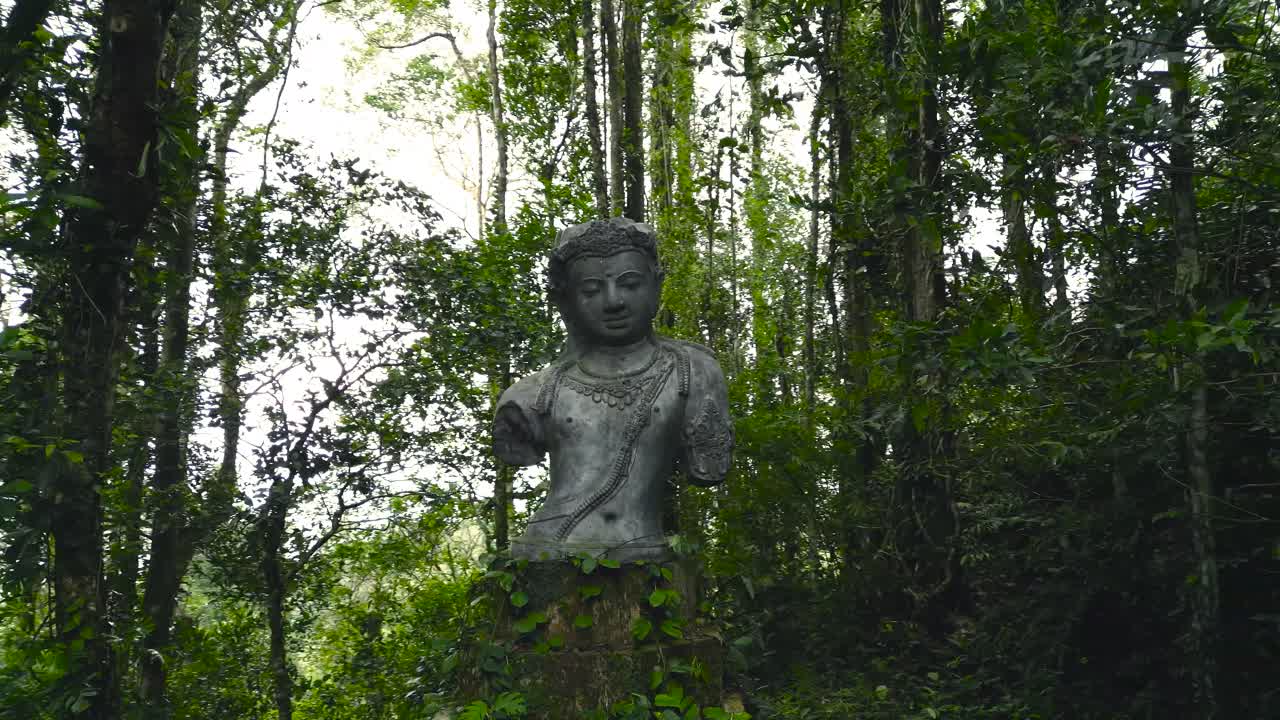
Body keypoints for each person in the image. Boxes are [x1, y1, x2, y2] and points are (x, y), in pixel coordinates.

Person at [493, 217, 733, 561]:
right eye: (591, 290)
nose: (613, 301)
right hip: (545, 551)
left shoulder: (693, 373)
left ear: (656, 286)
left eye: (630, 284)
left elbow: (709, 468)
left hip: (640, 549)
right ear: (566, 300)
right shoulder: (533, 395)